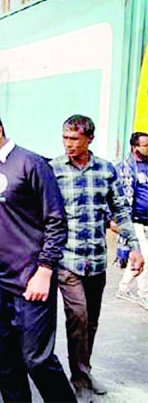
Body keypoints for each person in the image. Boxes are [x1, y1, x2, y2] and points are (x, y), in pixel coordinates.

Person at [0, 100, 76, 403]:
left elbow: (56, 221)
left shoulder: (31, 164)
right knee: (6, 364)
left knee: (37, 360)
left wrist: (45, 271)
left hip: (31, 283)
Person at [50, 115, 143, 399]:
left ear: (89, 139)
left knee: (91, 321)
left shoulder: (106, 170)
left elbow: (120, 209)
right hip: (67, 260)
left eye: (74, 138)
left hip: (97, 259)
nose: (68, 144)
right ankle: (78, 380)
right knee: (77, 316)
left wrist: (134, 245)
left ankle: (85, 371)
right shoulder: (53, 170)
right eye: (65, 137)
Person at [117, 131, 148, 306]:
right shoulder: (124, 168)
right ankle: (144, 295)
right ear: (134, 147)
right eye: (145, 145)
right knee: (145, 255)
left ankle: (123, 288)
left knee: (141, 258)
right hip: (134, 220)